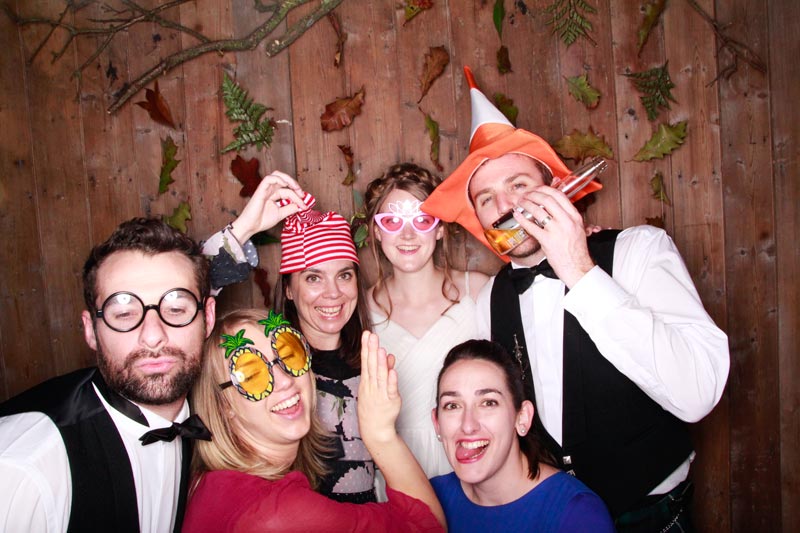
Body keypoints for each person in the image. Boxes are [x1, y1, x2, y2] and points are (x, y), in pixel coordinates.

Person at [422, 66, 730, 531]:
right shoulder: (490, 300)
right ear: (481, 225)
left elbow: (699, 394)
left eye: (519, 185)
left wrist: (581, 271)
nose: (505, 206)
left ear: (556, 189)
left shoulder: (637, 251)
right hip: (555, 516)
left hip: (654, 515)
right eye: (486, 198)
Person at [0, 218, 216, 532]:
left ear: (207, 318)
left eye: (176, 309)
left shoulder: (213, 411)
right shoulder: (22, 469)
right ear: (91, 330)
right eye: (125, 313)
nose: (153, 336)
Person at [182, 309, 445, 531]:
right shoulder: (280, 513)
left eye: (288, 355)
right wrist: (381, 434)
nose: (285, 381)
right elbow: (427, 525)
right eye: (252, 375)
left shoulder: (212, 481)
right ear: (222, 405)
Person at [208, 176, 378, 503]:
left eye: (344, 274)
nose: (333, 293)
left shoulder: (372, 362)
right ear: (289, 289)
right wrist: (244, 227)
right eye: (313, 277)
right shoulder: (269, 371)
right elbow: (185, 304)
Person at [364, 162, 489, 479]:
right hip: (395, 466)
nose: (407, 234)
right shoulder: (360, 309)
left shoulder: (478, 291)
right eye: (392, 221)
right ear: (377, 231)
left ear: (440, 227)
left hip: (472, 457)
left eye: (422, 220)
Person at [430, 339, 615, 532]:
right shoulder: (429, 499)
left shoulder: (578, 514)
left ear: (522, 418)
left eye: (488, 403)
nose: (468, 425)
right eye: (452, 405)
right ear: (437, 423)